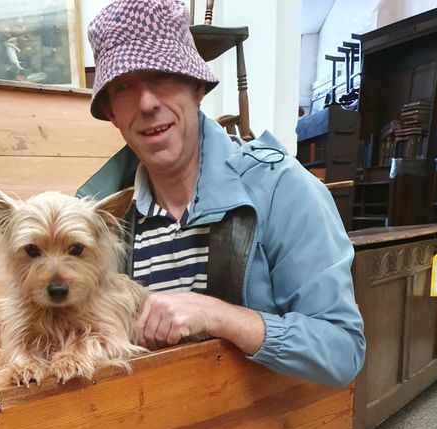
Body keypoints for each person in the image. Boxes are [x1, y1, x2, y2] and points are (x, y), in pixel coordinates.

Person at [77, 0, 365, 387]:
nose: (147, 103)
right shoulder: (97, 218)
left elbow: (341, 350)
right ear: (111, 111)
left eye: (161, 76)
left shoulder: (280, 187)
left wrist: (218, 316)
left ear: (196, 86)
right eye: (125, 87)